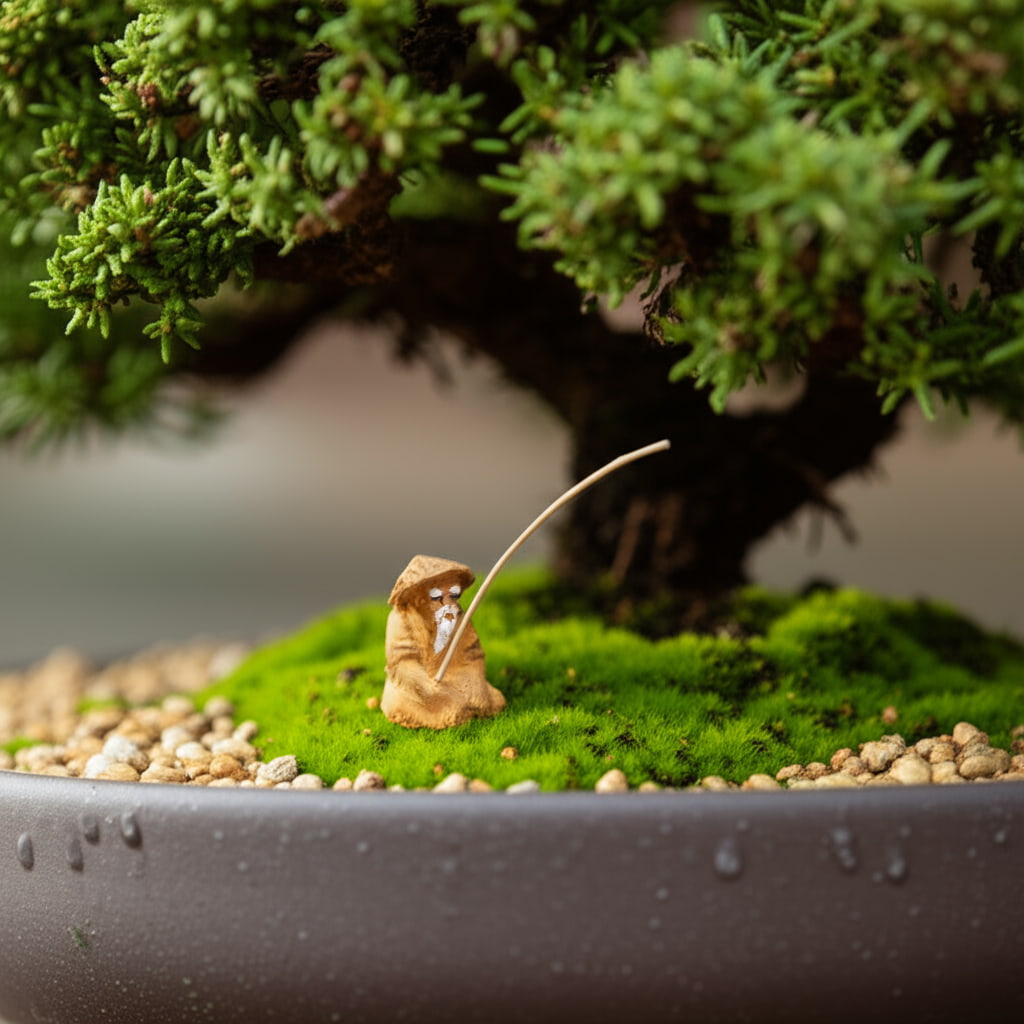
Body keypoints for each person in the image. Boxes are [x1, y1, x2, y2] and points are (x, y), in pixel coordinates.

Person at [381, 555, 507, 729]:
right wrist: (425, 687)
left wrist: (474, 681)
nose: (448, 603)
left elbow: (472, 654)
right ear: (419, 597)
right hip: (416, 688)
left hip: (455, 675)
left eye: (453, 594)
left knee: (490, 701)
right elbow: (402, 663)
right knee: (450, 711)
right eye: (438, 595)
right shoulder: (401, 619)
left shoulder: (455, 615)